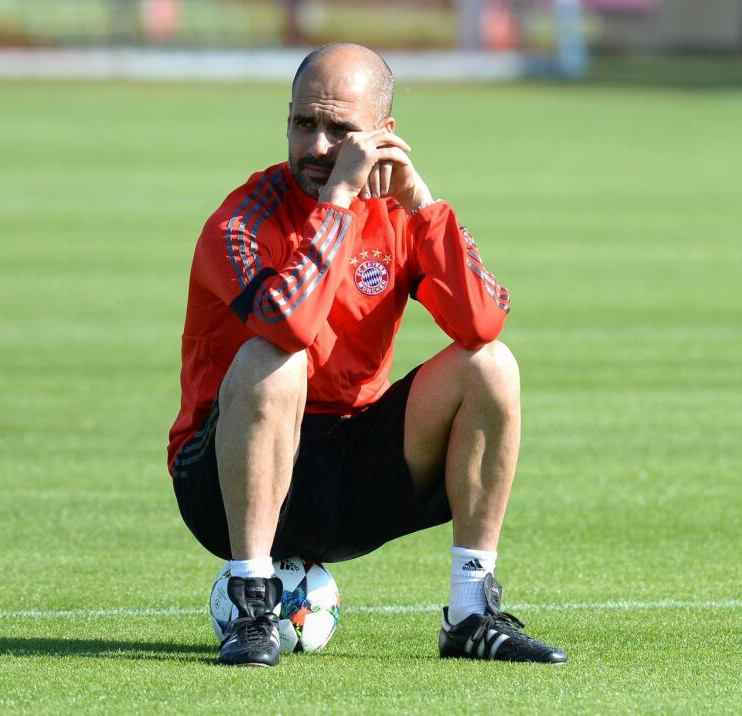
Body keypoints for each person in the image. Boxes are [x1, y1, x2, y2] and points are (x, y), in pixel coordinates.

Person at [167, 42, 567, 667]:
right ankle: (250, 604)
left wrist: (423, 203)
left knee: (491, 365)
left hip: (352, 468)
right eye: (304, 123)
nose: (319, 146)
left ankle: (470, 611)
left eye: (340, 130)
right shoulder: (242, 220)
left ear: (384, 135)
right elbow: (289, 323)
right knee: (273, 358)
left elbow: (482, 319)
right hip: (222, 482)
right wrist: (338, 206)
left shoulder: (399, 215)